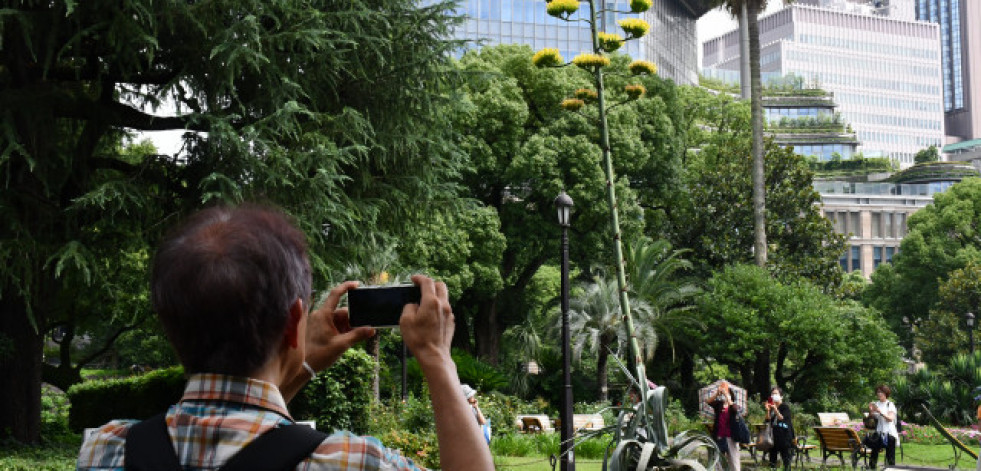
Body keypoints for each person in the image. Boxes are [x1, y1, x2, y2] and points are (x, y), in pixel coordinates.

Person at [76, 204, 494, 471]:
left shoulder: (108, 449)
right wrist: (436, 357)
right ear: (296, 319)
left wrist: (300, 363)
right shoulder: (352, 463)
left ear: (169, 326)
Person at [706, 381, 742, 471]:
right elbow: (708, 401)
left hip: (731, 437)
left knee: (734, 460)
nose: (724, 393)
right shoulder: (719, 404)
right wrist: (717, 393)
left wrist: (727, 396)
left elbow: (734, 410)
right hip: (719, 436)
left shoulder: (734, 405)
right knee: (719, 460)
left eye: (727, 391)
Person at [867, 384, 900, 469]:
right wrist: (870, 411)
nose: (879, 394)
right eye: (878, 392)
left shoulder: (890, 404)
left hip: (889, 433)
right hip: (879, 432)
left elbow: (890, 419)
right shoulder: (876, 404)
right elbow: (871, 420)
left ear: (886, 393)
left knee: (890, 455)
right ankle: (872, 468)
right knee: (874, 451)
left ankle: (891, 469)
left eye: (881, 392)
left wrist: (880, 412)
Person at [764, 387, 795, 471]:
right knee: (772, 460)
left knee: (786, 459)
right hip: (773, 437)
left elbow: (782, 418)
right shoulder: (771, 407)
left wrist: (775, 409)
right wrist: (768, 410)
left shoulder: (785, 407)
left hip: (784, 436)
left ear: (781, 396)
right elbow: (767, 420)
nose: (774, 395)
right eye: (773, 394)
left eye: (776, 394)